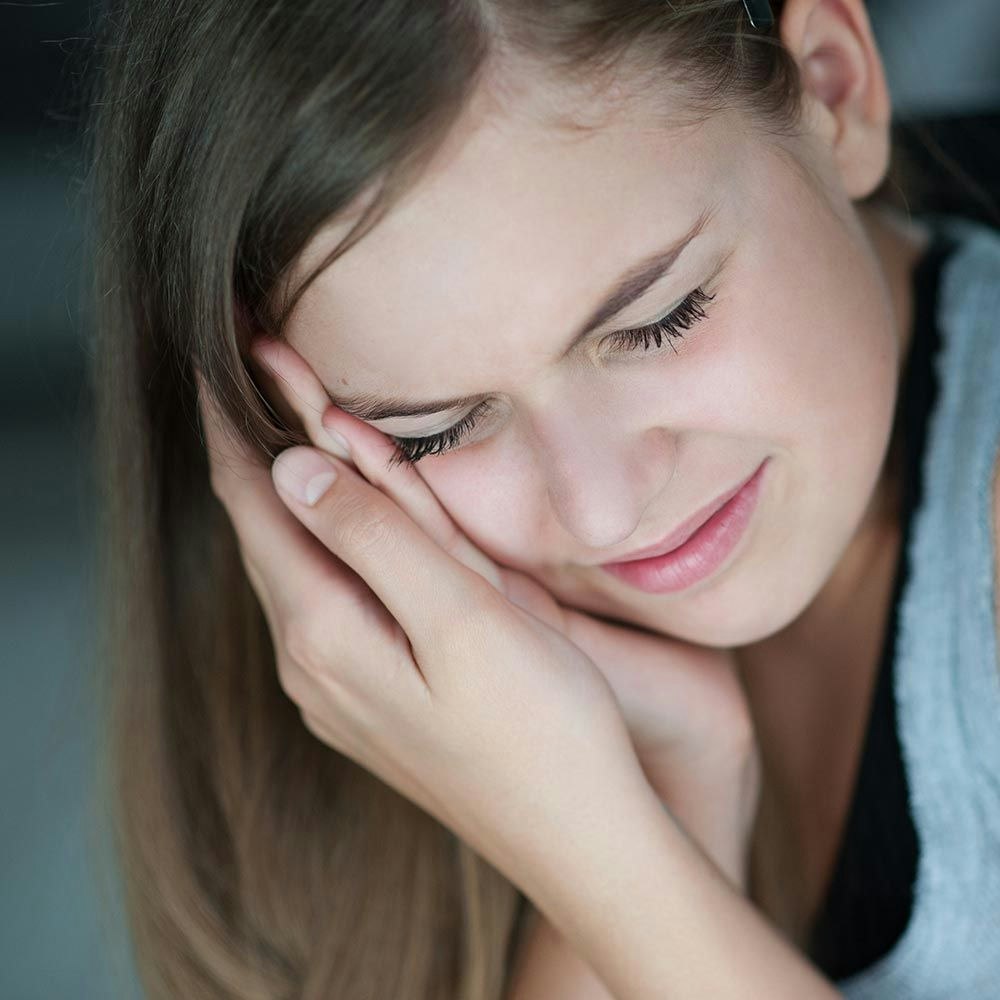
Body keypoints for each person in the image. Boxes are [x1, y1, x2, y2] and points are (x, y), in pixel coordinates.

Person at [83, 0, 1000, 996]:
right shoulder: (420, 711)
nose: (602, 510)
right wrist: (681, 784)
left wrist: (595, 853)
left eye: (659, 320)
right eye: (434, 431)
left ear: (832, 85)